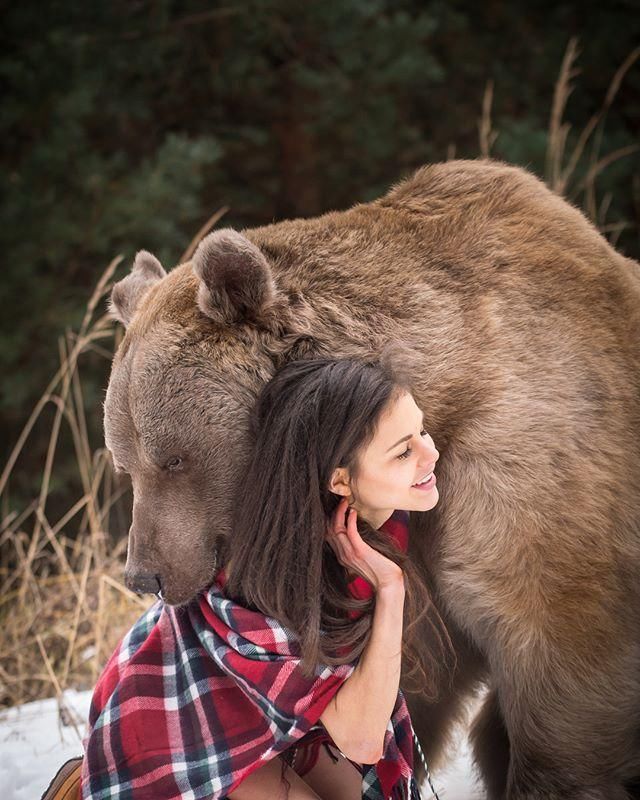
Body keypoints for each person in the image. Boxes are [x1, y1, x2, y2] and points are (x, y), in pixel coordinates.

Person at [77, 357, 445, 800]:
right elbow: (362, 738)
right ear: (341, 481)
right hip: (171, 730)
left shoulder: (377, 518)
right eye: (404, 451)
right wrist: (392, 589)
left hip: (270, 720)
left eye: (421, 431)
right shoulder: (287, 576)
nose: (432, 453)